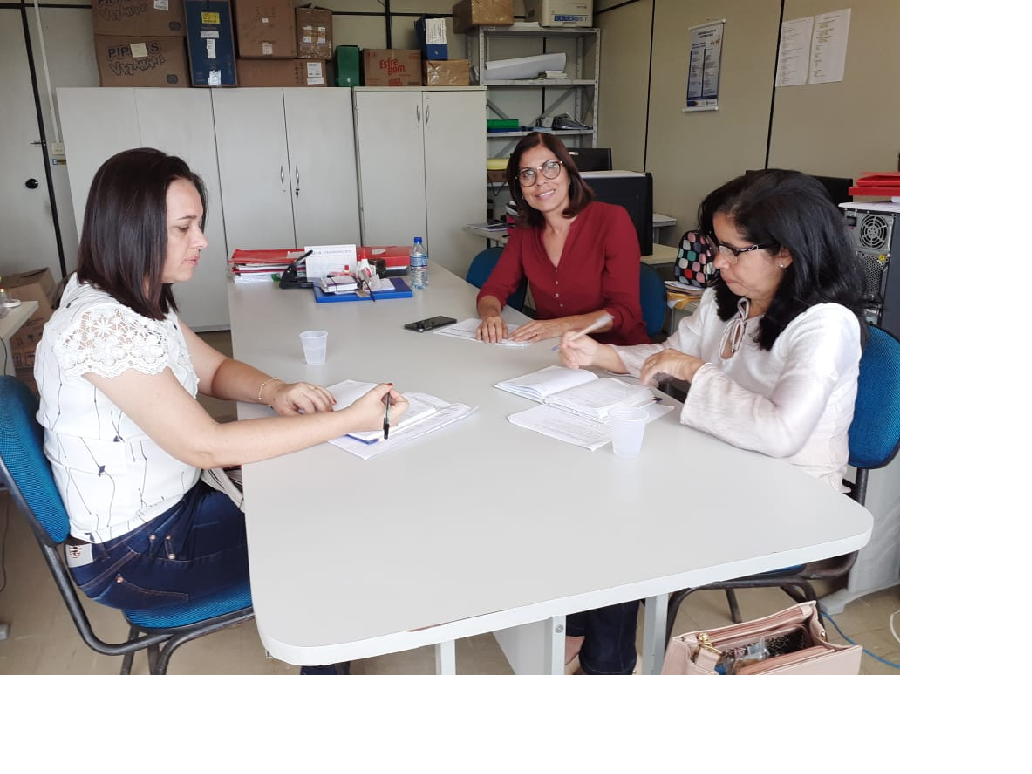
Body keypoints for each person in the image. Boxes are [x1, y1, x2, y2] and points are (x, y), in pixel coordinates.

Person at [33, 147, 409, 675]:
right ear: (131, 229)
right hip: (139, 554)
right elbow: (205, 445)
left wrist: (275, 390)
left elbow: (212, 370)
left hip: (166, 514)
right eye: (183, 228)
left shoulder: (132, 297)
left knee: (320, 484)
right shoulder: (102, 324)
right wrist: (348, 420)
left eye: (199, 224)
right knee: (336, 535)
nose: (202, 241)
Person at [558, 168, 866, 675]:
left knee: (623, 520)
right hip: (720, 463)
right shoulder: (730, 300)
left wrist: (696, 372)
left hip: (792, 497)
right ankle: (579, 629)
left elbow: (780, 433)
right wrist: (602, 355)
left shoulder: (825, 324)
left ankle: (605, 663)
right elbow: (670, 356)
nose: (718, 262)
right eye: (716, 246)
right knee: (592, 485)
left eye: (734, 250)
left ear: (786, 252)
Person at [475, 132, 649, 346]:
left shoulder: (612, 220)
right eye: (527, 174)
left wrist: (559, 326)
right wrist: (490, 316)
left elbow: (624, 311)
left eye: (550, 167)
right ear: (519, 187)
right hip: (555, 351)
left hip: (616, 354)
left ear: (568, 171)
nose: (540, 181)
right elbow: (494, 290)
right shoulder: (524, 232)